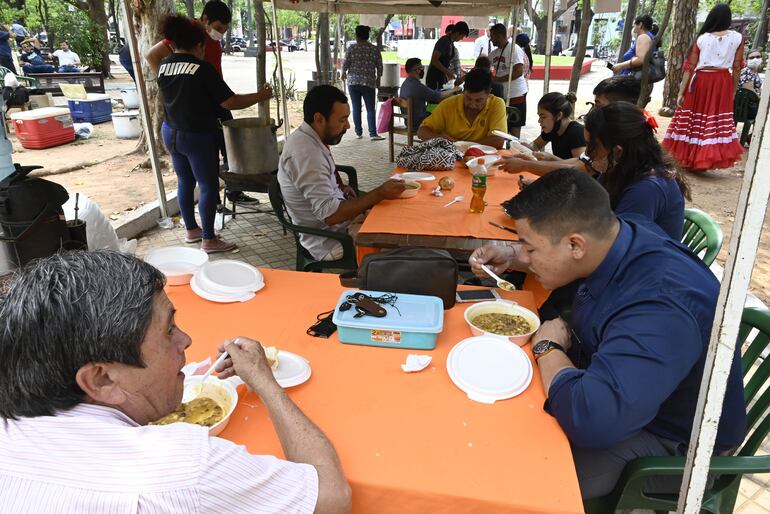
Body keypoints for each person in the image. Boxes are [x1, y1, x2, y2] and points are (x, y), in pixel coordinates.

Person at [0, 250, 352, 513]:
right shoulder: (182, 467)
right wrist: (266, 382)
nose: (185, 340)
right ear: (101, 379)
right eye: (168, 330)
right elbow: (331, 498)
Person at [469, 168, 746, 499]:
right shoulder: (620, 232)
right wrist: (513, 255)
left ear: (575, 244)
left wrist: (548, 347)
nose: (524, 256)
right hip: (624, 395)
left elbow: (592, 421)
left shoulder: (659, 304)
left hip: (677, 445)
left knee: (512, 482)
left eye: (529, 247)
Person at [156, 15, 272, 254]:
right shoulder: (201, 68)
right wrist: (260, 96)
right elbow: (229, 101)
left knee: (185, 181)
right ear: (199, 45)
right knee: (208, 185)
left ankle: (192, 230)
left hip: (170, 132)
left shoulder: (164, 65)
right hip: (196, 136)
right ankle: (208, 239)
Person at [147, 1, 258, 207]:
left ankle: (234, 191)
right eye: (217, 29)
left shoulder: (212, 41)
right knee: (204, 165)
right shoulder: (188, 33)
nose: (219, 34)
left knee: (229, 145)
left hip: (216, 97)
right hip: (196, 112)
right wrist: (171, 83)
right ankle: (213, 203)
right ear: (205, 20)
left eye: (223, 31)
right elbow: (152, 55)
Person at [277, 85, 405, 261]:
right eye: (342, 119)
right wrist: (379, 193)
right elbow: (330, 215)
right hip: (330, 241)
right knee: (401, 242)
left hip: (338, 225)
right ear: (319, 119)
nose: (347, 125)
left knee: (398, 215)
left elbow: (320, 183)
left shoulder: (310, 138)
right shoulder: (305, 153)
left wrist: (339, 188)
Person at [663, 3, 745, 171]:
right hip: (723, 81)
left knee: (694, 118)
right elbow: (737, 67)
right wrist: (733, 88)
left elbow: (690, 67)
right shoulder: (737, 38)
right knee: (713, 120)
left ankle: (689, 157)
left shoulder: (702, 38)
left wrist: (681, 91)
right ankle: (703, 160)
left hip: (701, 80)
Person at [417, 67, 507, 148]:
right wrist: (439, 138)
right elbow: (422, 132)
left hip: (484, 157)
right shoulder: (449, 104)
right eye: (468, 98)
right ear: (463, 91)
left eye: (478, 100)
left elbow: (498, 140)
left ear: (488, 93)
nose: (472, 105)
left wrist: (463, 145)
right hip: (451, 158)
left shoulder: (497, 104)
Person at [341, 25, 384, 141]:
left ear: (356, 35)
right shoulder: (374, 49)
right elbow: (379, 65)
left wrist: (343, 72)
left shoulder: (352, 48)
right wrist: (379, 77)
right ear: (367, 35)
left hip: (353, 82)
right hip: (368, 82)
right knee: (370, 108)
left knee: (356, 107)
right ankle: (373, 133)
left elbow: (346, 62)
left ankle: (358, 132)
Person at [488, 23, 527, 137]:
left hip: (516, 95)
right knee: (501, 128)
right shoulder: (494, 53)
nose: (491, 39)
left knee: (514, 129)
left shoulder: (513, 49)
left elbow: (518, 71)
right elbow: (482, 66)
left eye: (492, 36)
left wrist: (498, 79)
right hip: (502, 96)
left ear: (499, 36)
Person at [399, 57, 459, 130]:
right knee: (446, 114)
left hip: (409, 122)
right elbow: (439, 96)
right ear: (417, 70)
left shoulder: (405, 83)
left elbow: (430, 93)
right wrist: (454, 89)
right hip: (419, 122)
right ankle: (444, 137)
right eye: (421, 67)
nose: (422, 70)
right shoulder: (417, 86)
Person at [426, 21, 469, 90]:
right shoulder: (444, 41)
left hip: (441, 76)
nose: (461, 39)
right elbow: (434, 60)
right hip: (434, 77)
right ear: (457, 33)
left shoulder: (450, 43)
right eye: (462, 36)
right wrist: (447, 72)